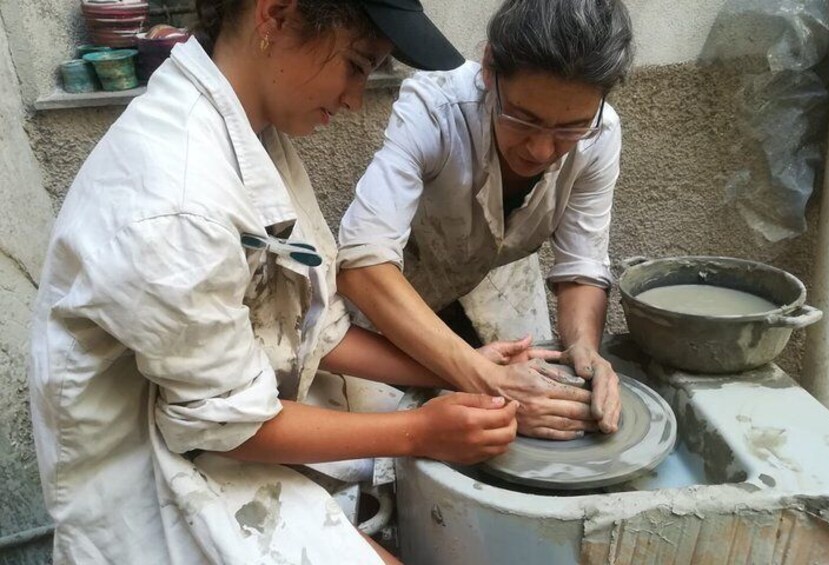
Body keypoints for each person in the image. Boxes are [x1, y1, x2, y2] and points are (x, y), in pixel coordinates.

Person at [28, 1, 519, 563]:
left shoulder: (249, 128)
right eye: (357, 66)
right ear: (276, 16)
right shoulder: (177, 199)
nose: (356, 100)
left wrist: (465, 368)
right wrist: (419, 431)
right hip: (156, 484)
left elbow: (313, 332)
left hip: (223, 432)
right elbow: (231, 428)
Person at [337, 0, 634, 440]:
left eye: (568, 129)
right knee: (384, 446)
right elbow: (364, 263)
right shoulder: (434, 107)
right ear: (490, 69)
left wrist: (585, 353)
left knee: (534, 415)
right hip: (401, 295)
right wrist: (482, 375)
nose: (540, 149)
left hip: (500, 286)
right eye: (524, 119)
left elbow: (581, 267)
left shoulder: (600, 133)